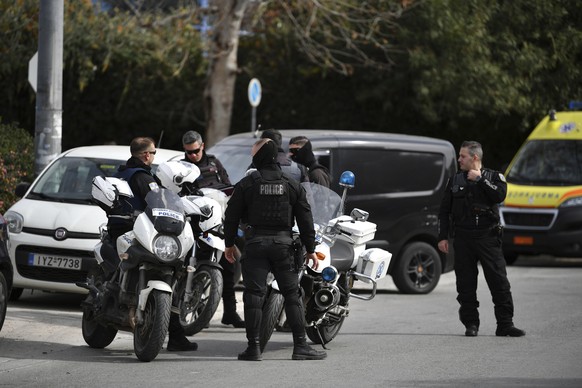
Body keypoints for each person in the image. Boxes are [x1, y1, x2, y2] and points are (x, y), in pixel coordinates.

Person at [223, 138, 327, 361]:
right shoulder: (291, 184)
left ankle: (254, 348)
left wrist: (228, 244)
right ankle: (300, 346)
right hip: (284, 246)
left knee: (253, 296)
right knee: (292, 295)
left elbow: (230, 216)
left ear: (260, 157)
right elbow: (306, 218)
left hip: (256, 245)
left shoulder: (247, 183)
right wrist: (311, 249)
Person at [108, 136, 199, 351]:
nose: (153, 157)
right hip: (138, 231)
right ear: (147, 155)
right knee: (174, 273)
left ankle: (172, 333)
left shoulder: (122, 172)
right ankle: (175, 336)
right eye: (153, 153)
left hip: (121, 229)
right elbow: (158, 200)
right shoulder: (142, 177)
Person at [437, 140, 525, 338]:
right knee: (465, 286)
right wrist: (442, 237)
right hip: (463, 238)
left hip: (488, 237)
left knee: (499, 282)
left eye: (463, 156)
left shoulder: (494, 177)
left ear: (475, 157)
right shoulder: (455, 180)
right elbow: (444, 211)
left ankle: (505, 324)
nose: (459, 159)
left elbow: (499, 195)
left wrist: (480, 180)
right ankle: (471, 324)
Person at [181, 130, 244, 328]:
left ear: (203, 146)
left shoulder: (215, 163)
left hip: (218, 223)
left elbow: (227, 185)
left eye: (196, 151)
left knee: (227, 267)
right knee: (194, 266)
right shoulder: (181, 167)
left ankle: (230, 313)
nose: (193, 155)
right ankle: (198, 311)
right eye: (189, 152)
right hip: (193, 226)